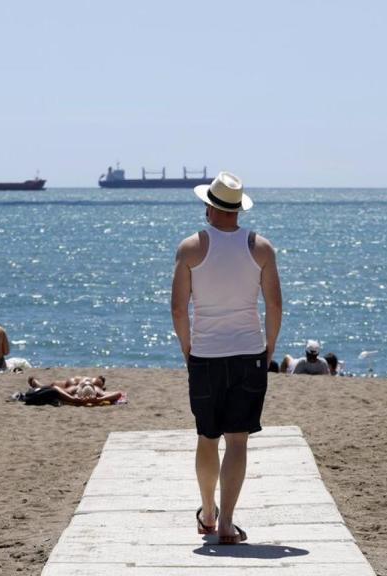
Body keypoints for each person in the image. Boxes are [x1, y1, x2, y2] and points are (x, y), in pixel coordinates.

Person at [171, 171, 282, 545]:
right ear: (237, 208)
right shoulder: (261, 248)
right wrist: (269, 348)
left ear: (209, 207)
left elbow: (178, 309)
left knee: (207, 437)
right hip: (249, 353)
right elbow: (275, 305)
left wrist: (188, 349)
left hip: (205, 355)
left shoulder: (190, 248)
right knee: (237, 441)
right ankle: (227, 523)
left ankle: (206, 513)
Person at [24, 375, 123, 406]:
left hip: (74, 384)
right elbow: (118, 394)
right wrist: (97, 400)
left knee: (53, 386)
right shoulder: (98, 392)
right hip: (89, 386)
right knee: (99, 381)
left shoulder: (72, 390)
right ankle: (35, 383)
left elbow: (55, 389)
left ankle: (35, 383)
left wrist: (73, 399)